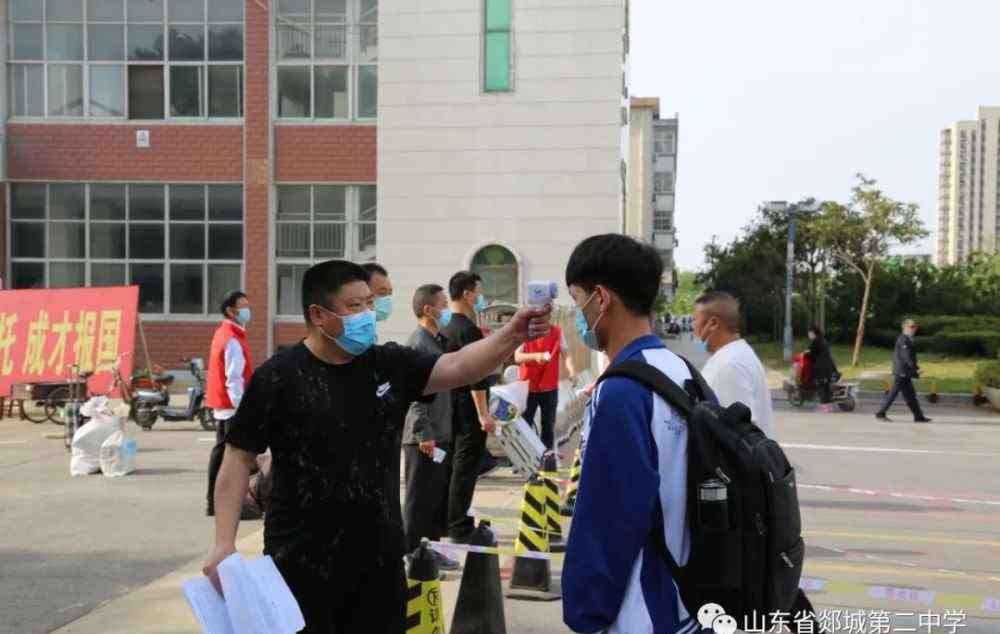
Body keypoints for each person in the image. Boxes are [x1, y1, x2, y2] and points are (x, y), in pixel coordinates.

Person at [203, 260, 550, 633]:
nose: (367, 315)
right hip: (298, 563)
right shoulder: (278, 376)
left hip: (378, 560)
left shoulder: (388, 364)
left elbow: (461, 366)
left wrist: (512, 335)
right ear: (319, 315)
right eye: (355, 307)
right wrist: (225, 542)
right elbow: (237, 459)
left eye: (370, 304)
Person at [562, 234, 698, 633]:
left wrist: (586, 614)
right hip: (687, 602)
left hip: (639, 611)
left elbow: (607, 517)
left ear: (600, 299)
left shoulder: (619, 391)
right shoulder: (681, 371)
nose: (578, 315)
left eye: (577, 301)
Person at [401, 284, 460, 570]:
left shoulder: (436, 340)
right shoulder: (418, 344)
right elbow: (413, 395)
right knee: (418, 499)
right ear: (428, 309)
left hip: (441, 432)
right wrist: (423, 432)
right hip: (424, 437)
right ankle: (412, 551)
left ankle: (431, 549)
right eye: (443, 303)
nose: (447, 308)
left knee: (434, 499)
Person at [441, 271, 497, 544]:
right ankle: (459, 526)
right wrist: (483, 414)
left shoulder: (445, 327)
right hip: (466, 410)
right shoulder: (468, 330)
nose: (480, 297)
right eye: (478, 291)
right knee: (465, 469)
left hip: (447, 407)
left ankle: (449, 519)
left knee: (453, 467)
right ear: (467, 294)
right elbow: (477, 375)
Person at [692, 291, 775, 439]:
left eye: (695, 319)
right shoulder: (734, 355)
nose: (693, 327)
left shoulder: (730, 365)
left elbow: (738, 437)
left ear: (713, 323)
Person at [205, 291, 256, 519]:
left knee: (222, 455)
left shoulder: (223, 333)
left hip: (224, 406)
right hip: (232, 407)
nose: (247, 310)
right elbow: (233, 378)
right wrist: (242, 409)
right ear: (231, 311)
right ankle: (228, 505)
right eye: (243, 306)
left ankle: (214, 503)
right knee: (234, 460)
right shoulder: (232, 339)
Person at [514, 323, 577, 450]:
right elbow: (517, 357)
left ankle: (547, 459)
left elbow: (566, 354)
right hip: (528, 387)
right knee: (525, 424)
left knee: (548, 426)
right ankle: (524, 458)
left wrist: (572, 370)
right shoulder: (526, 331)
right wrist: (535, 356)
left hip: (549, 387)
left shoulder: (557, 332)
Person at [876, 319, 931, 423]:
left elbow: (909, 358)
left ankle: (918, 416)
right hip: (902, 372)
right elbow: (907, 357)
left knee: (910, 395)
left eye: (915, 327)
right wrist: (915, 369)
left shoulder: (907, 339)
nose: (914, 329)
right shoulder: (903, 339)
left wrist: (915, 368)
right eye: (911, 327)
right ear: (904, 328)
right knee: (893, 393)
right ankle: (880, 413)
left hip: (905, 372)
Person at [804, 324, 838, 405]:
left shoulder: (816, 341)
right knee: (825, 385)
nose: (808, 335)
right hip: (830, 366)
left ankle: (825, 406)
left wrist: (805, 354)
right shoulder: (822, 339)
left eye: (809, 333)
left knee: (820, 386)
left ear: (813, 333)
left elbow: (811, 354)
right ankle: (827, 403)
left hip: (821, 368)